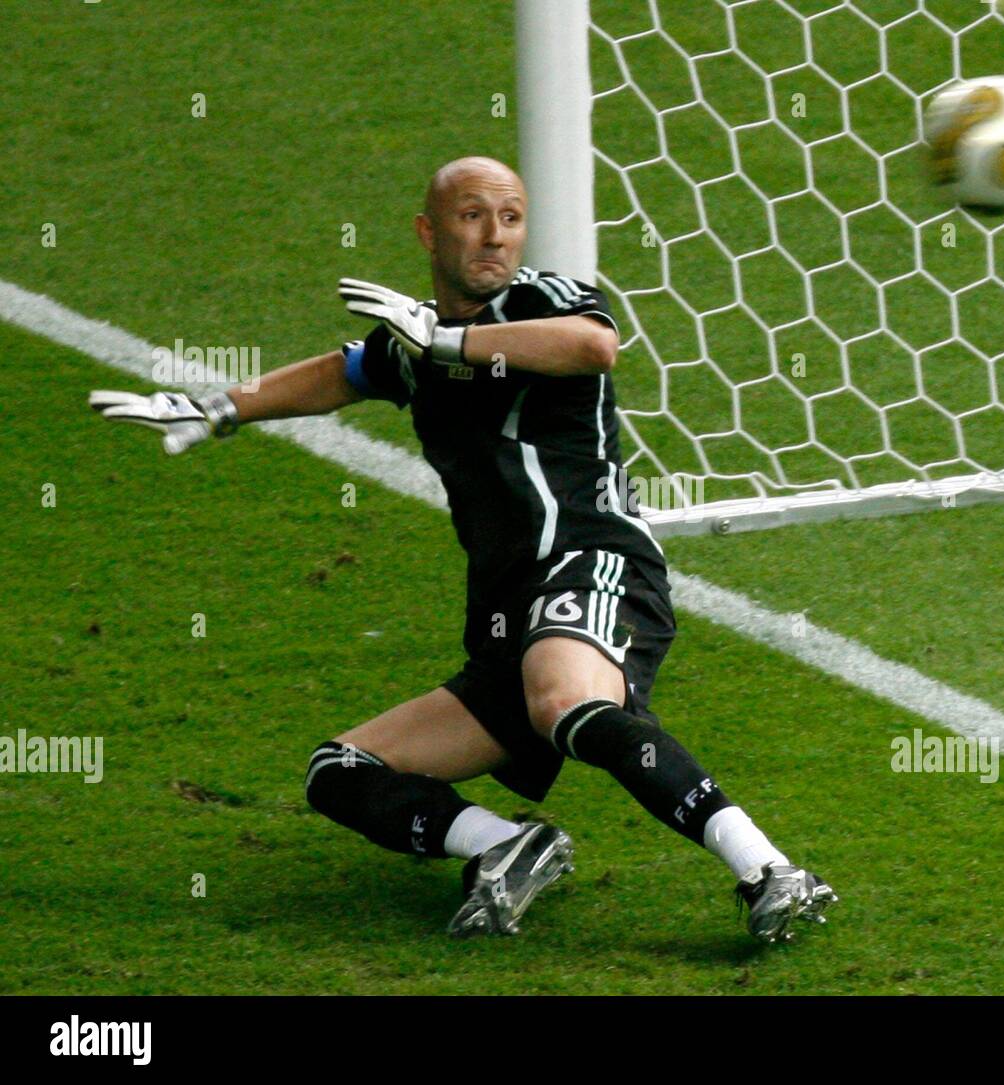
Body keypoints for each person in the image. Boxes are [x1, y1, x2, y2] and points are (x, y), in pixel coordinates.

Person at [89, 156, 836, 943]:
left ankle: (769, 868)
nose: (494, 237)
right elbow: (340, 372)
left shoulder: (544, 301)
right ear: (428, 230)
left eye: (510, 218)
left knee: (565, 702)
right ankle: (506, 845)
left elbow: (592, 348)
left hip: (593, 558)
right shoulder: (411, 344)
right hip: (510, 614)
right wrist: (219, 409)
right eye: (472, 216)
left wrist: (448, 339)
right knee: (342, 772)